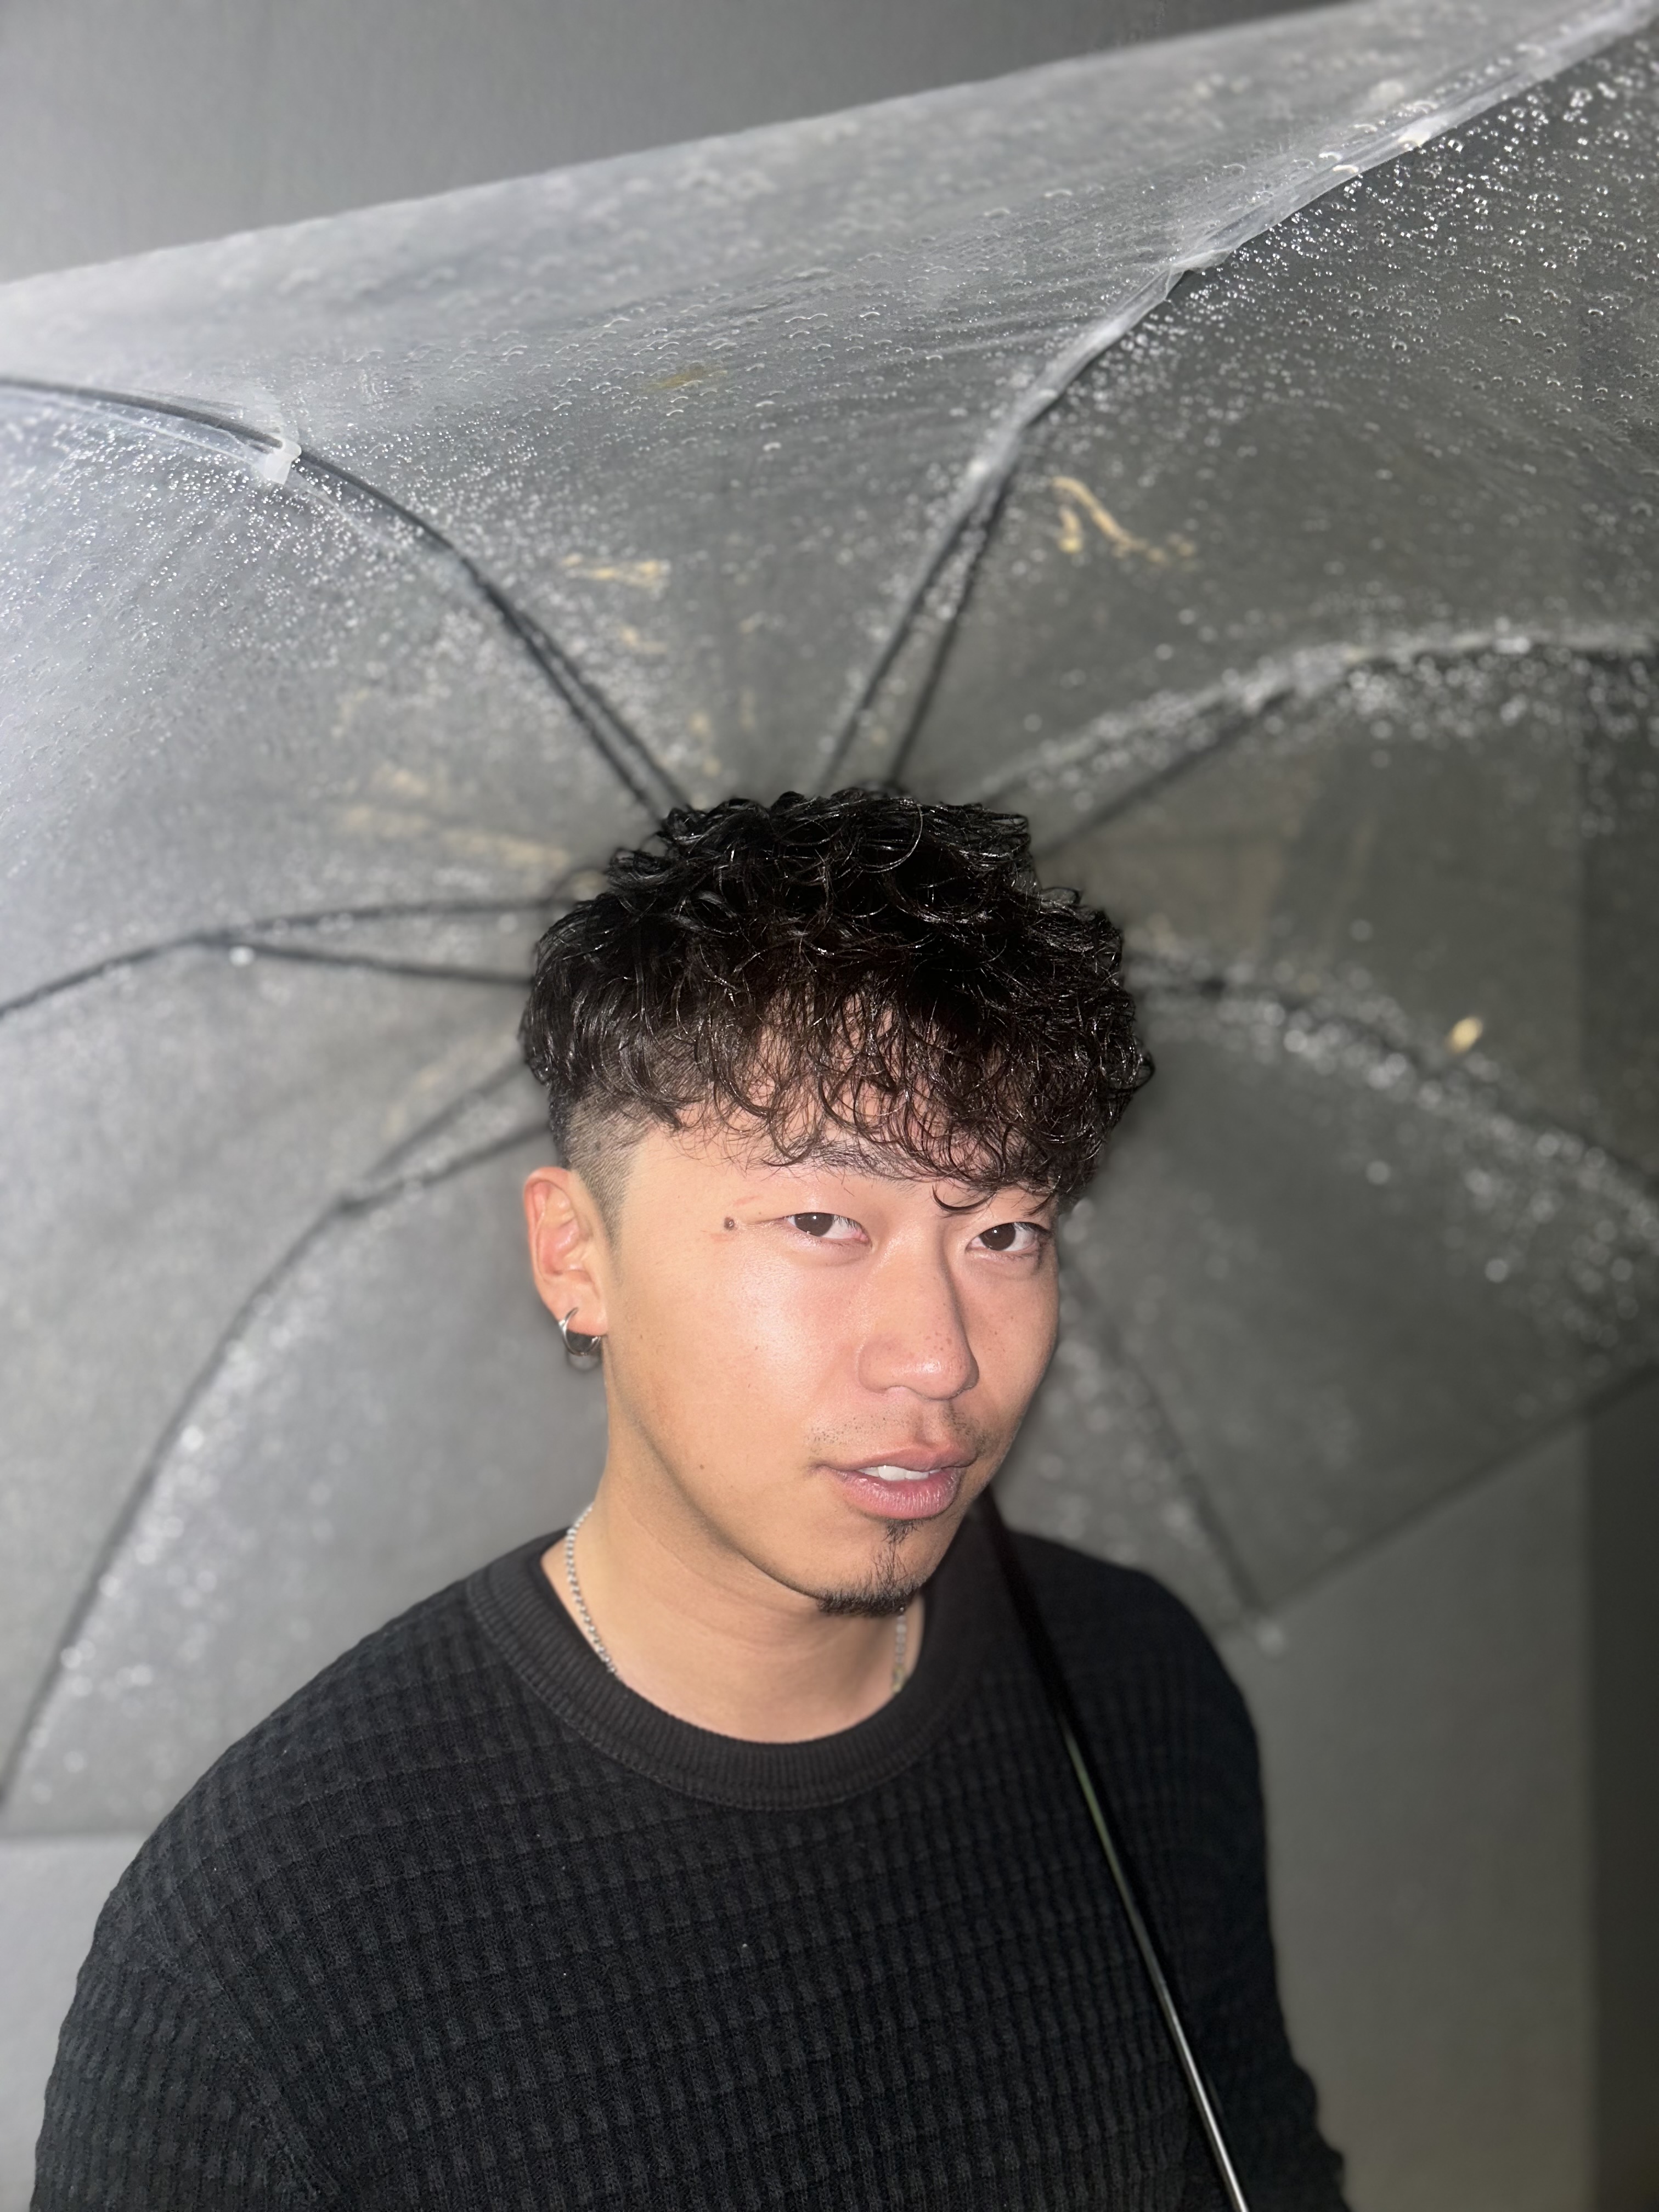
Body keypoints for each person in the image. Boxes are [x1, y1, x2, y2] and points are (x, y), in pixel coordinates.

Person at [35, 790, 1346, 2211]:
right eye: (823, 1221)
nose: (940, 1357)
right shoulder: (258, 1951)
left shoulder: (1132, 1688)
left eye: (1006, 1231)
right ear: (575, 1255)